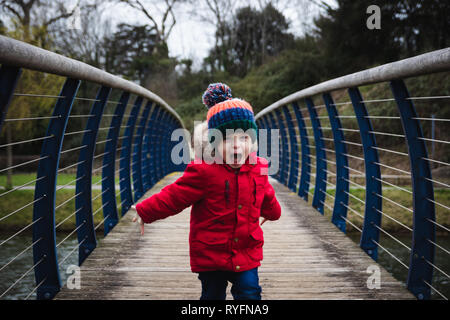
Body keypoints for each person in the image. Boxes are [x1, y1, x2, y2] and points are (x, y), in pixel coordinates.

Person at [132, 83, 281, 300]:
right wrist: (146, 211)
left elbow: (265, 194)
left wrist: (273, 212)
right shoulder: (204, 171)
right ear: (214, 142)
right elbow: (174, 196)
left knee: (250, 293)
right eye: (228, 139)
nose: (237, 146)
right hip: (211, 254)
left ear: (253, 139)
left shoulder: (258, 167)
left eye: (244, 138)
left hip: (246, 251)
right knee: (212, 296)